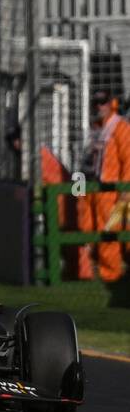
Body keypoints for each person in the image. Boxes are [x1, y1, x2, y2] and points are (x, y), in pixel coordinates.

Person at [76, 88, 130, 282]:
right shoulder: (94, 129)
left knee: (109, 233)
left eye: (103, 101)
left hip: (110, 190)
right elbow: (82, 161)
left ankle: (111, 277)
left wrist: (125, 192)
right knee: (86, 229)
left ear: (112, 103)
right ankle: (87, 273)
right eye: (96, 102)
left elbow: (128, 161)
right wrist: (79, 191)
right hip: (89, 187)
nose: (99, 106)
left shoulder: (120, 128)